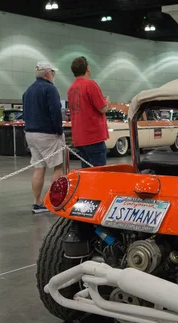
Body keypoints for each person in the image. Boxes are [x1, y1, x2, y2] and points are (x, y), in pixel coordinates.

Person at [22, 61, 64, 213]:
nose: (54, 75)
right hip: (47, 134)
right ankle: (54, 201)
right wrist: (59, 131)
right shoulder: (50, 89)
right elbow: (55, 112)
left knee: (38, 168)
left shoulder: (28, 90)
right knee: (58, 167)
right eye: (53, 73)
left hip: (30, 133)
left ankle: (37, 201)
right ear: (48, 73)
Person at [67, 56, 110, 168]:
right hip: (93, 137)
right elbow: (103, 108)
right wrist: (106, 102)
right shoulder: (90, 84)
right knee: (98, 174)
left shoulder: (71, 88)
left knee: (86, 173)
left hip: (79, 138)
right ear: (88, 68)